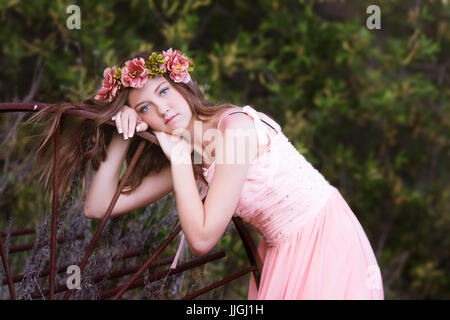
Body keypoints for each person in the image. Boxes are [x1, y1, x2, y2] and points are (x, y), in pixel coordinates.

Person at [28, 48, 384, 300]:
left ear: (183, 86)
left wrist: (180, 159)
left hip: (324, 241)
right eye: (145, 108)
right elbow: (98, 205)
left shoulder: (235, 131)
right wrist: (122, 137)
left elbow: (201, 240)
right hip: (283, 252)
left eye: (164, 91)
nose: (162, 109)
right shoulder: (192, 161)